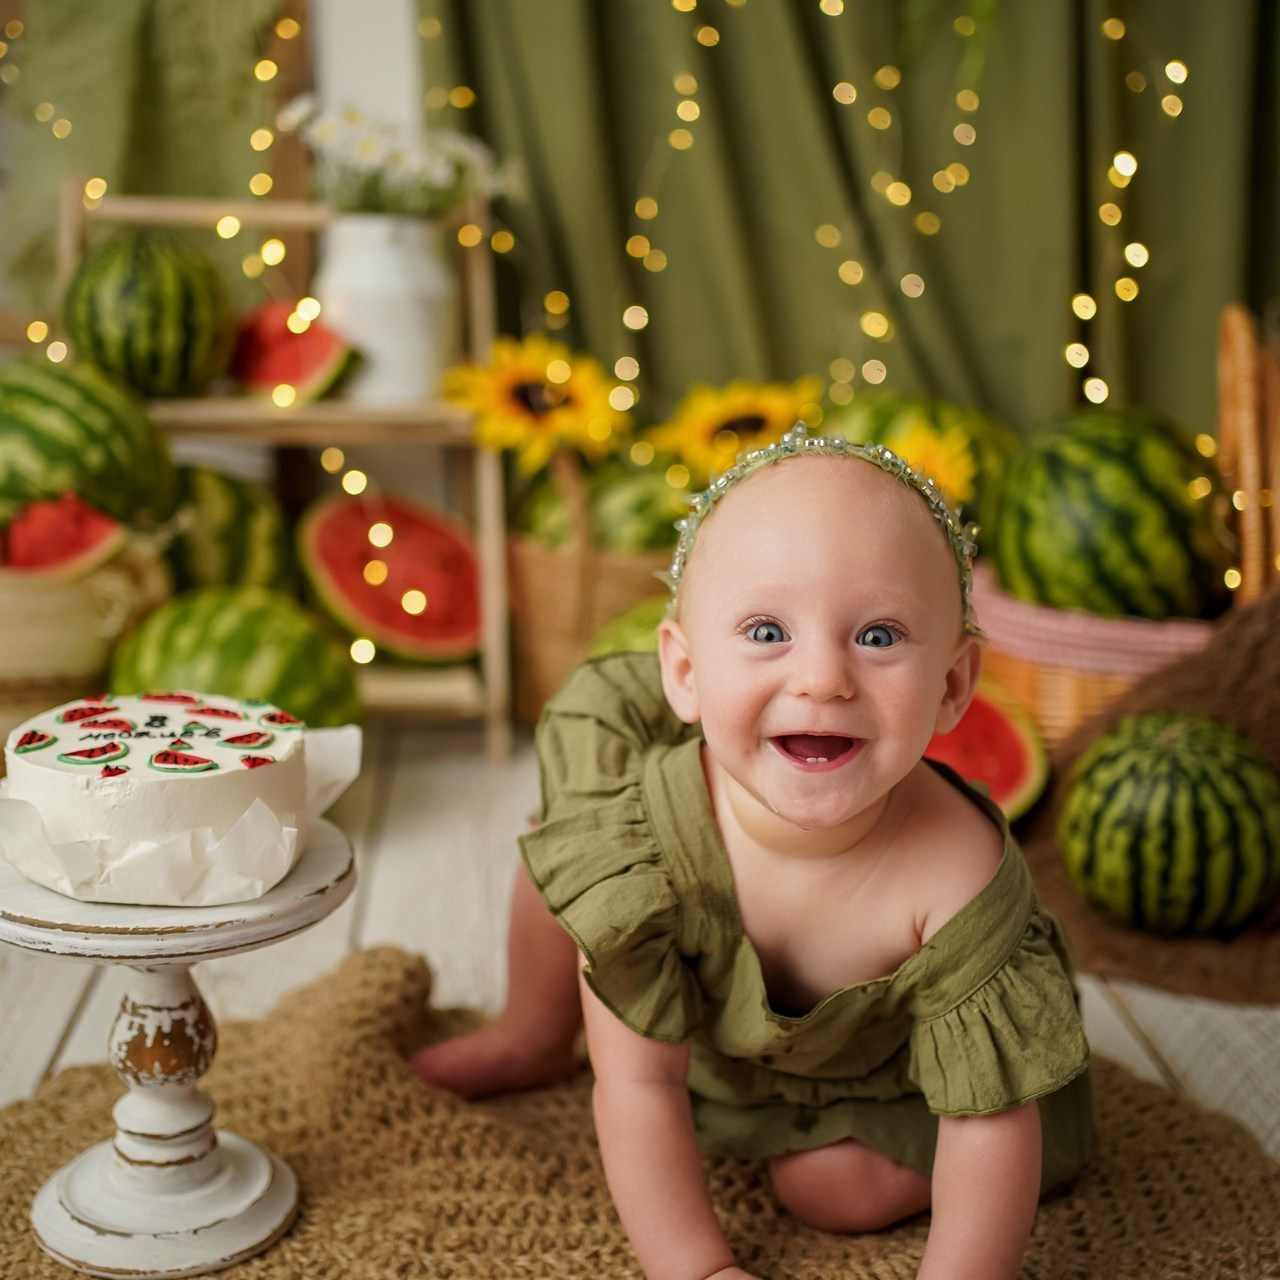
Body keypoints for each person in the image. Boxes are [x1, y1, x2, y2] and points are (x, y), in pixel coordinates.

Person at [412, 427, 1095, 1280]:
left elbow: (987, 1121)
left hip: (890, 1081)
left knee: (832, 1189)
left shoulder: (955, 873)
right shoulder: (647, 834)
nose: (822, 678)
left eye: (879, 636)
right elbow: (637, 1086)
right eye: (768, 630)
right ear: (685, 673)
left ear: (954, 684)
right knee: (565, 865)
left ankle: (848, 1153)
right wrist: (697, 1269)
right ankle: (533, 1033)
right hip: (708, 1038)